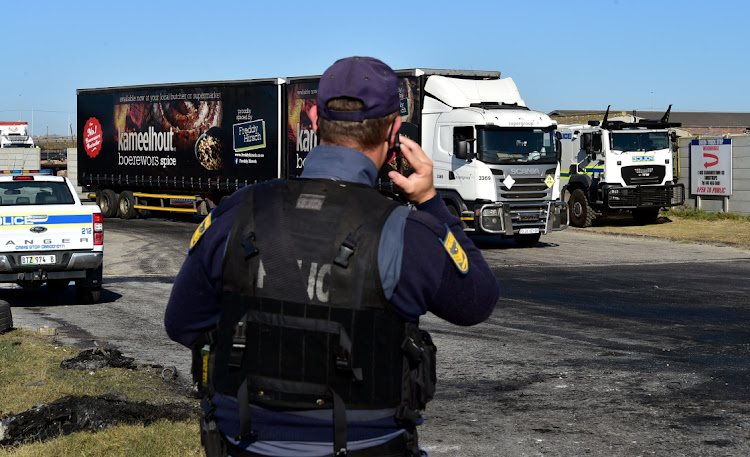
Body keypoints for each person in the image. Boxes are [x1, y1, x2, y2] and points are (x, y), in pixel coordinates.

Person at [165, 56, 500, 457]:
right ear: (395, 131)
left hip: (244, 444)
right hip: (369, 445)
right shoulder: (406, 232)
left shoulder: (236, 212)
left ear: (311, 117)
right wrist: (429, 202)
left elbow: (183, 323)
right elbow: (478, 300)